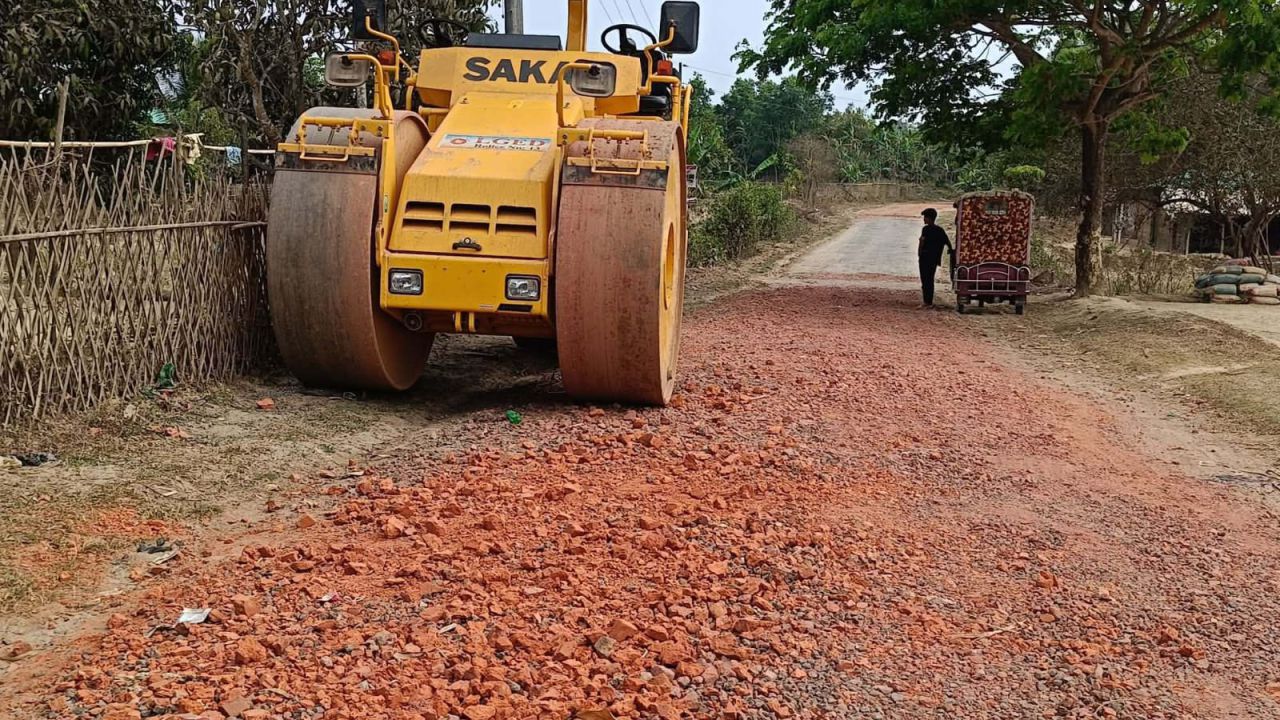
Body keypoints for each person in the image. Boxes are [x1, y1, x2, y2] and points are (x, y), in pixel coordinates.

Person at [917, 207, 953, 307]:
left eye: (925, 217)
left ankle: (927, 302)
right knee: (930, 279)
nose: (924, 219)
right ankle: (928, 301)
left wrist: (919, 253)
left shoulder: (926, 229)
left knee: (925, 280)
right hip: (934, 259)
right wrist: (950, 250)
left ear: (929, 218)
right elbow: (947, 242)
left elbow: (922, 242)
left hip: (925, 257)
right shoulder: (940, 230)